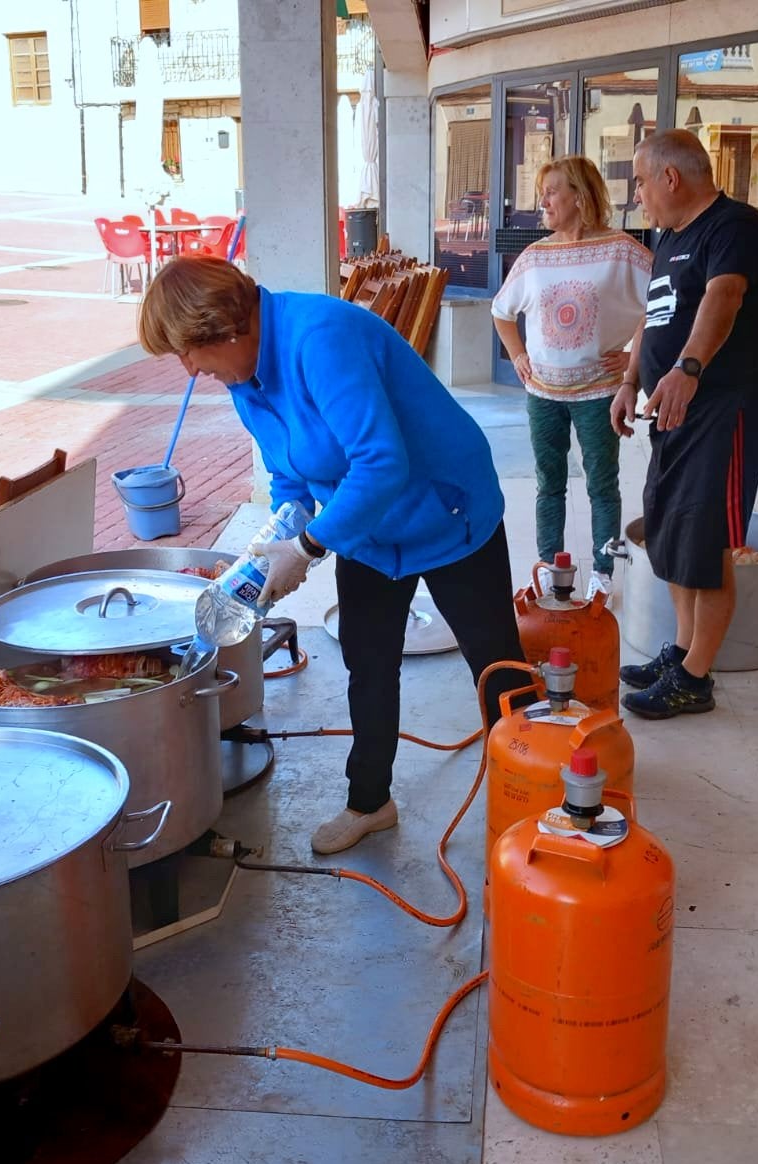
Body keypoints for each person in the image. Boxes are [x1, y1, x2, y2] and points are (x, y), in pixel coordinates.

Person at [137, 255, 529, 854]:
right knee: (368, 664)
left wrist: (309, 546)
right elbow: (289, 476)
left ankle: (532, 800)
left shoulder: (319, 338)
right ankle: (370, 803)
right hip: (367, 527)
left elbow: (382, 462)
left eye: (188, 352)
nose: (189, 369)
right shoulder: (244, 379)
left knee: (496, 668)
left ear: (225, 328)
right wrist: (278, 544)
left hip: (446, 509)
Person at [610, 129, 758, 718]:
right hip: (673, 410)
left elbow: (723, 298)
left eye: (640, 182)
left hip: (723, 410)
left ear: (670, 177)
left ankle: (695, 680)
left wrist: (688, 369)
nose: (637, 195)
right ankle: (681, 653)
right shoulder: (670, 239)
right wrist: (630, 380)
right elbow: (652, 318)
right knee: (672, 535)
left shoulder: (735, 227)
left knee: (706, 544)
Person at [491, 155, 651, 599]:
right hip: (543, 394)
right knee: (549, 483)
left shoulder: (621, 251)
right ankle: (548, 564)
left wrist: (634, 359)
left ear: (579, 196)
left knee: (602, 484)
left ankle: (603, 571)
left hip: (599, 394)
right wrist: (518, 354)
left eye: (551, 192)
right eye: (541, 193)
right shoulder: (535, 257)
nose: (542, 202)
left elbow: (661, 303)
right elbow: (501, 311)